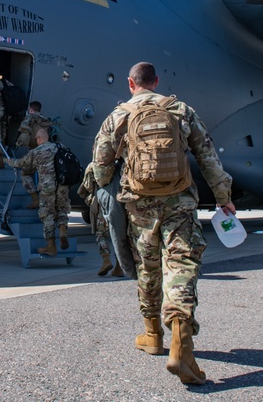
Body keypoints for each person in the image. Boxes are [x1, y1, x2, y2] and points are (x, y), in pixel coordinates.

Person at [91, 61, 234, 386]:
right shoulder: (180, 110)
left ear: (131, 84)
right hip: (179, 199)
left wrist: (107, 185)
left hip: (138, 202)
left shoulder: (118, 115)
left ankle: (152, 335)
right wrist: (223, 195)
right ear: (155, 82)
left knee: (148, 266)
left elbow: (100, 164)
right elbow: (207, 155)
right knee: (181, 264)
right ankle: (181, 342)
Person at [6, 127, 70, 255]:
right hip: (63, 186)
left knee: (47, 215)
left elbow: (21, 163)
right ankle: (63, 231)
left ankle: (51, 246)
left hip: (47, 187)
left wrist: (9, 161)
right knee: (61, 209)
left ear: (39, 139)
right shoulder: (60, 147)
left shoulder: (36, 151)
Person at [78, 163, 125, 277]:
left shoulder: (93, 165)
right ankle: (119, 265)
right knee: (118, 235)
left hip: (101, 203)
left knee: (101, 234)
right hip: (119, 203)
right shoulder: (120, 165)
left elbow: (87, 185)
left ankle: (106, 260)